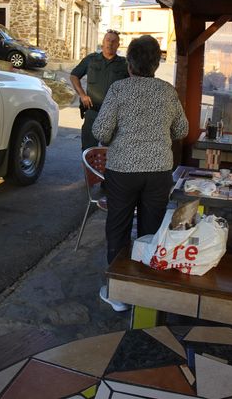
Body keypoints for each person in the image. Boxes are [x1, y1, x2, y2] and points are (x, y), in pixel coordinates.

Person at [92, 35, 188, 311]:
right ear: (157, 64)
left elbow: (100, 132)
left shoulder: (119, 90)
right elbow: (182, 130)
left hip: (122, 171)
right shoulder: (167, 91)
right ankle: (146, 291)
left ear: (129, 63)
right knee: (151, 229)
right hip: (158, 171)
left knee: (118, 228)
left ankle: (118, 294)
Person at [70, 30, 128, 149]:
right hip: (93, 112)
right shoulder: (91, 59)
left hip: (115, 116)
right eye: (108, 40)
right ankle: (89, 168)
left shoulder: (124, 64)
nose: (110, 44)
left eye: (114, 41)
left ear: (118, 45)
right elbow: (74, 75)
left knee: (113, 151)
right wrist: (82, 95)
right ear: (102, 43)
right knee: (88, 149)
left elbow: (135, 83)